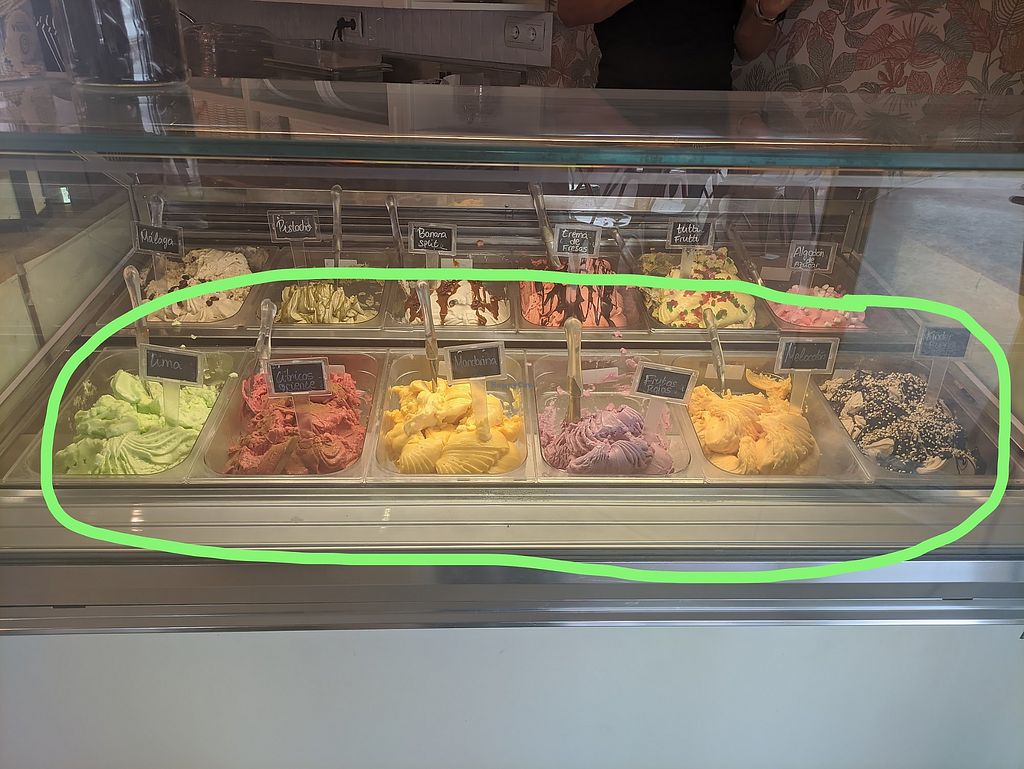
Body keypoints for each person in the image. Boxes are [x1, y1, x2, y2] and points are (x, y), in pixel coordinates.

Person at [558, 0, 796, 90]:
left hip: (709, 114)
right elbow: (570, 11)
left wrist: (766, 12)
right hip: (622, 108)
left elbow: (748, 49)